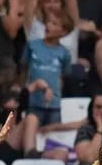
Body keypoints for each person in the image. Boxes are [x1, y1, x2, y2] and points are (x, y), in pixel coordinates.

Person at [21, 10, 74, 156]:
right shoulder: (32, 45)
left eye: (54, 23)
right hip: (33, 102)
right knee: (30, 137)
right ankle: (29, 161)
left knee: (51, 141)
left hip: (54, 105)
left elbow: (64, 76)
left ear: (63, 31)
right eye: (48, 22)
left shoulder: (64, 53)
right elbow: (24, 69)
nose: (47, 26)